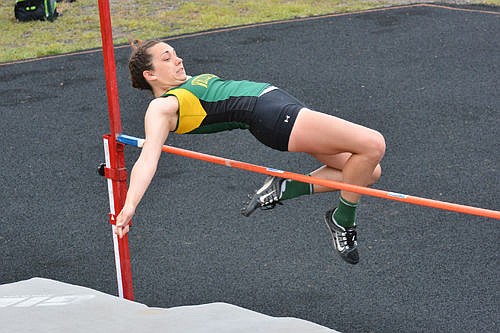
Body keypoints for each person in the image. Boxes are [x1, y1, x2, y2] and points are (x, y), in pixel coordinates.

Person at [115, 39, 386, 265]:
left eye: (175, 54)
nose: (178, 60)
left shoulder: (182, 83)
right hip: (273, 117)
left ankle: (287, 187)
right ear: (150, 75)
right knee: (373, 144)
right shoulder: (161, 108)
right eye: (167, 58)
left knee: (367, 173)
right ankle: (343, 220)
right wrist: (130, 206)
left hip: (280, 107)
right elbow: (148, 157)